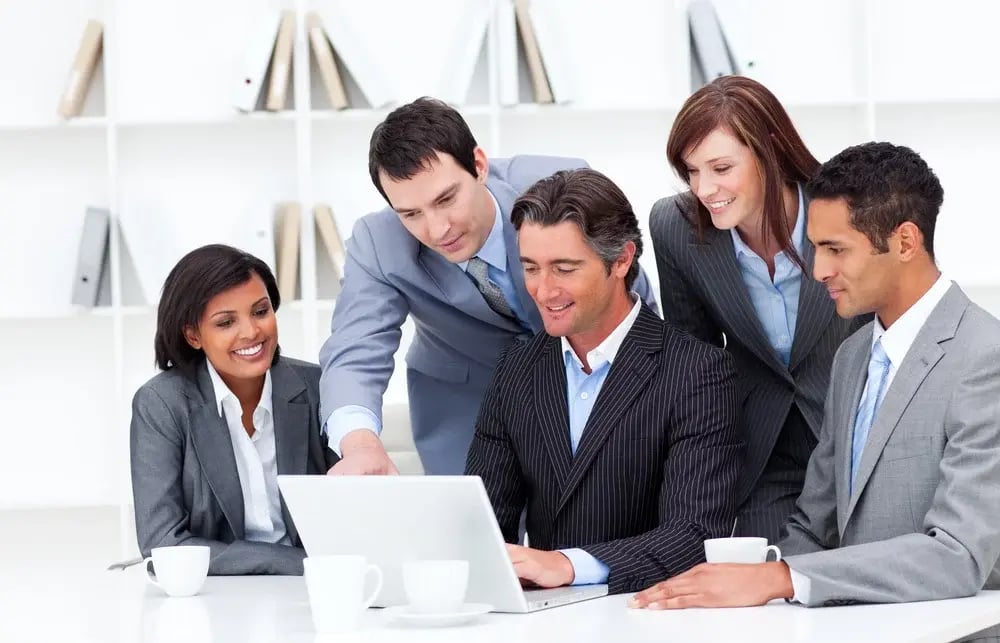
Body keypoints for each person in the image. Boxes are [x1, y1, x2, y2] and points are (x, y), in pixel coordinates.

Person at [630, 143, 1000, 642]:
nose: (818, 269)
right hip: (852, 626)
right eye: (815, 248)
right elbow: (813, 524)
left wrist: (779, 579)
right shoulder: (853, 357)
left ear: (906, 242)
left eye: (836, 249)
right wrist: (743, 578)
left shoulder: (984, 356)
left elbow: (957, 556)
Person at [319, 97, 657, 476]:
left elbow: (630, 295)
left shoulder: (561, 187)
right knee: (478, 526)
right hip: (464, 400)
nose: (437, 229)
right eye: (411, 214)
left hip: (589, 376)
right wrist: (360, 445)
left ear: (479, 165)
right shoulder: (377, 241)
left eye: (446, 199)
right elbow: (354, 351)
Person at [465, 168, 743, 595]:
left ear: (622, 260)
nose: (543, 290)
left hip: (648, 613)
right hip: (542, 621)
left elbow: (694, 534)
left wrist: (569, 565)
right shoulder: (516, 369)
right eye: (531, 268)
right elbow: (481, 524)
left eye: (564, 268)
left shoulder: (697, 372)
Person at [649, 76, 868, 543]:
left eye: (721, 168)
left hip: (861, 435)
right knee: (774, 589)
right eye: (691, 171)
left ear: (769, 149)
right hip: (766, 451)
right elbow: (695, 360)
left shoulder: (848, 205)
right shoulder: (676, 227)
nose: (705, 189)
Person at [130, 244, 337, 575]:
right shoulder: (162, 404)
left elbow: (359, 513)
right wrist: (292, 561)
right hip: (217, 590)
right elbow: (163, 542)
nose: (252, 332)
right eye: (226, 322)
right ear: (193, 335)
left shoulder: (318, 387)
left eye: (260, 311)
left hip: (316, 585)